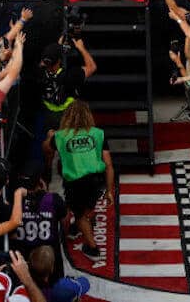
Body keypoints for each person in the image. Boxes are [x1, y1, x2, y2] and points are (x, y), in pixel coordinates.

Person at [43, 100, 113, 260]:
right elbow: (109, 164)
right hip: (96, 180)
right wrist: (109, 190)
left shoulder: (60, 136)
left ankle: (93, 248)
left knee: (80, 214)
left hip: (75, 182)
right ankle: (80, 222)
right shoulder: (98, 133)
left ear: (67, 117)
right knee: (86, 206)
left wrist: (49, 137)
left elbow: (46, 148)